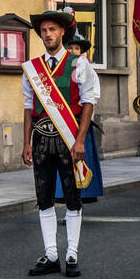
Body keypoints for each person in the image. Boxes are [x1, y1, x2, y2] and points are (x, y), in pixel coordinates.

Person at [23, 9, 99, 278]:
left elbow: (89, 103)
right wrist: (26, 143)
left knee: (72, 196)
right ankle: (52, 253)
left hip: (69, 139)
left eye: (52, 30)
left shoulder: (79, 64)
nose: (47, 34)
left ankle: (72, 253)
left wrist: (80, 140)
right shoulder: (33, 68)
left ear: (62, 33)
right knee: (43, 198)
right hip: (42, 139)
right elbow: (28, 107)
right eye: (43, 30)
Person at [53, 31, 104, 204]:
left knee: (79, 162)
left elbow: (92, 95)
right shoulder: (57, 68)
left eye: (77, 48)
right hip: (60, 121)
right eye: (70, 47)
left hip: (78, 121)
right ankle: (63, 196)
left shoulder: (86, 68)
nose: (73, 51)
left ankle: (79, 199)